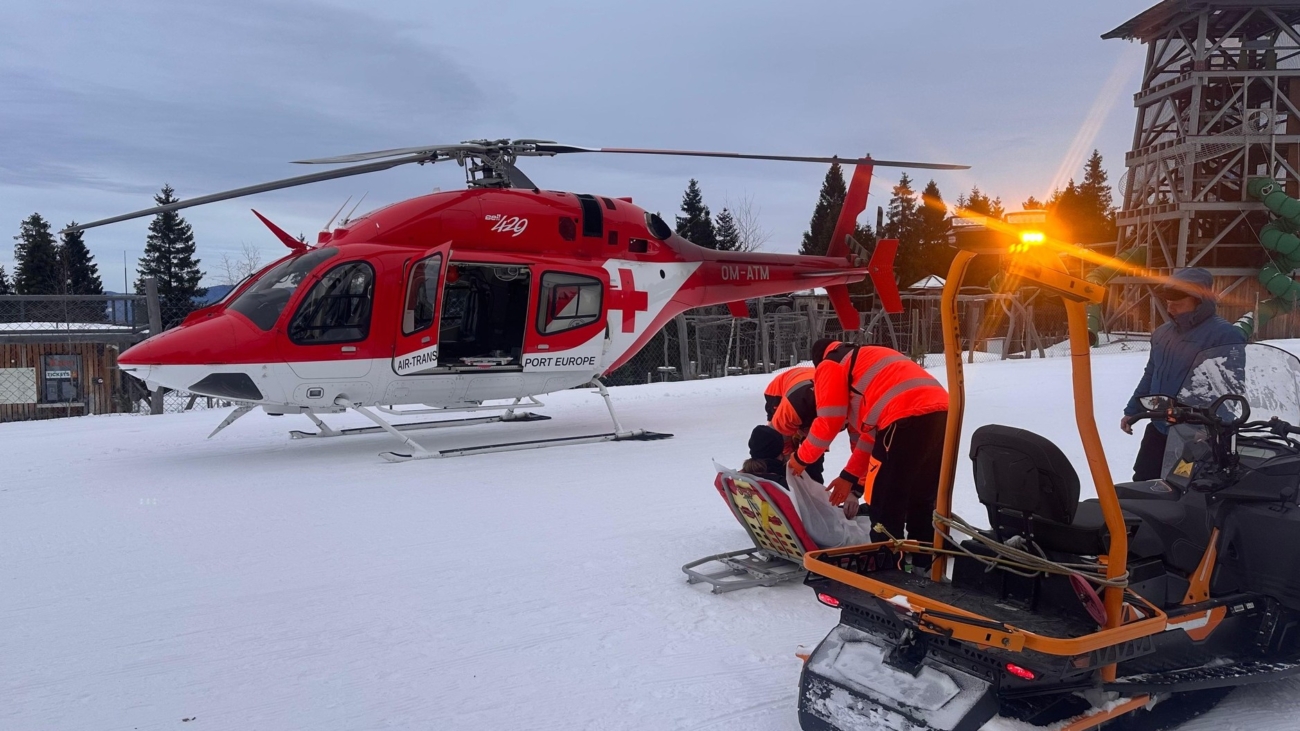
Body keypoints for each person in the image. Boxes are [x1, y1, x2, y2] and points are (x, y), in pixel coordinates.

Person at [788, 339, 949, 551]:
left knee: (886, 504)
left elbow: (829, 421)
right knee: (921, 497)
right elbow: (871, 437)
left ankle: (889, 567)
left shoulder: (830, 364)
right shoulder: (869, 358)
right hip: (943, 413)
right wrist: (849, 478)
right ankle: (925, 564)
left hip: (903, 418)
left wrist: (800, 459)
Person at [1122, 268, 1245, 481]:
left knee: (1188, 492)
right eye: (1169, 304)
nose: (1171, 309)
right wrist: (1133, 410)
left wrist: (1209, 431)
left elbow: (1230, 390)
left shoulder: (1225, 336)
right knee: (1144, 483)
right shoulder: (1162, 334)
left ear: (1200, 300)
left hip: (1197, 435)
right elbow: (1151, 374)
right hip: (1160, 426)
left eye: (1178, 304)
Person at [762, 366, 824, 483]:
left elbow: (818, 444)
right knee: (775, 440)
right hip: (779, 390)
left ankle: (813, 483)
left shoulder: (832, 414)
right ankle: (776, 480)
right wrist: (790, 461)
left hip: (808, 386)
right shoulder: (792, 407)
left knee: (814, 452)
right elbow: (781, 433)